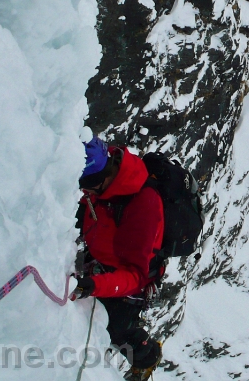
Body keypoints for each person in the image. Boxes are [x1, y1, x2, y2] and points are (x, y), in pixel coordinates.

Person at [72, 136, 163, 380]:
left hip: (127, 272)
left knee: (119, 331)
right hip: (101, 249)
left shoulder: (143, 205)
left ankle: (147, 359)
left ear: (102, 180)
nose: (84, 193)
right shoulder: (103, 173)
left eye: (88, 188)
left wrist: (95, 285)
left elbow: (135, 276)